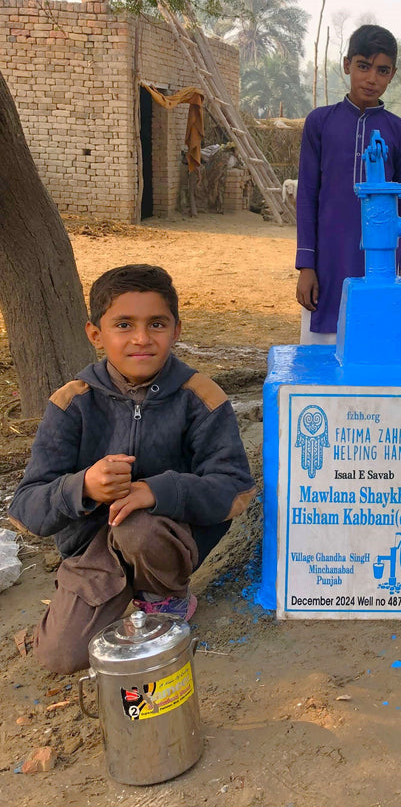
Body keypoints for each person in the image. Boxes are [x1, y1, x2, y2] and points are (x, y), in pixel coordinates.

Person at [10, 265, 255, 674]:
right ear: (95, 334)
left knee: (137, 525)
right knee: (59, 658)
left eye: (156, 324)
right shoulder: (72, 403)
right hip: (93, 548)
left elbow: (235, 490)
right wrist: (83, 486)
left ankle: (165, 598)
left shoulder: (201, 397)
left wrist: (159, 491)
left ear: (176, 330)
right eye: (124, 324)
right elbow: (26, 508)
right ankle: (93, 595)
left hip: (164, 540)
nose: (142, 338)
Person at [295, 24, 401, 344]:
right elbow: (306, 195)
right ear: (347, 65)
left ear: (393, 74)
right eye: (363, 66)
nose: (371, 78)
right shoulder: (320, 123)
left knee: (379, 348)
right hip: (327, 264)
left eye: (382, 70)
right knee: (322, 358)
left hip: (381, 265)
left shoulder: (400, 132)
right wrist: (306, 265)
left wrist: (392, 261)